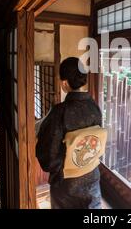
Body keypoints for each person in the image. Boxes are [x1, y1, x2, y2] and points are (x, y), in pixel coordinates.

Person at [36, 57, 102, 209]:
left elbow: (48, 156)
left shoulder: (60, 112)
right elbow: (96, 141)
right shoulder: (94, 106)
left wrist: (60, 166)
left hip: (67, 185)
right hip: (92, 176)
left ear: (64, 83)